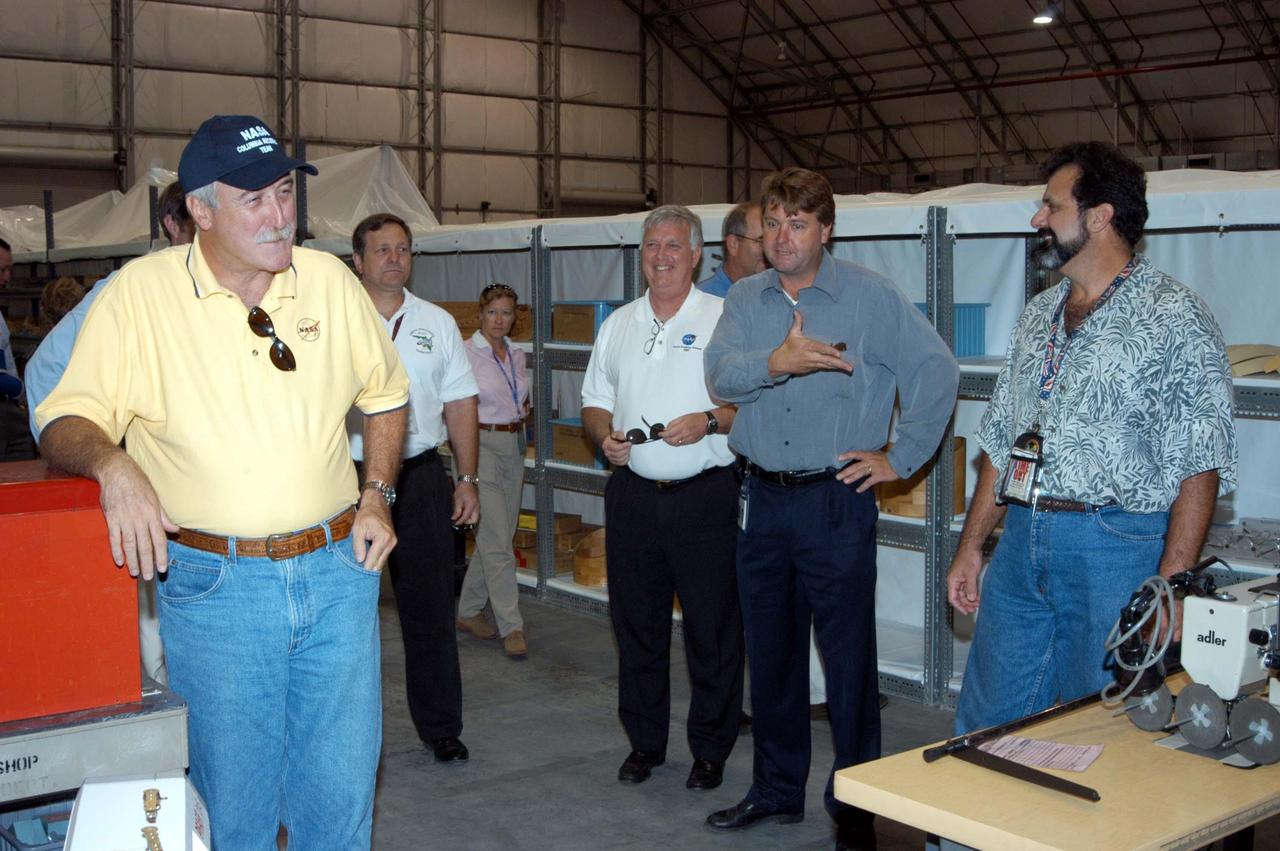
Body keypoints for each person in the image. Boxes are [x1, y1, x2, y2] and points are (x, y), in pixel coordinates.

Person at [35, 114, 409, 849]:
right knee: (233, 811)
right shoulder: (138, 297)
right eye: (253, 200)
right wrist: (114, 464)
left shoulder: (331, 282)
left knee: (339, 802)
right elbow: (63, 419)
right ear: (199, 211)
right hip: (217, 590)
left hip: (337, 574)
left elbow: (386, 395)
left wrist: (378, 492)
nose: (278, 217)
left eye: (283, 193)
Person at [703, 167, 958, 851]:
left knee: (847, 663)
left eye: (799, 222)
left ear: (826, 230)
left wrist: (900, 458)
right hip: (761, 497)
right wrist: (777, 361)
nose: (783, 235)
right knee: (773, 653)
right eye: (775, 219)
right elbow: (719, 374)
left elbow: (936, 371)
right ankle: (777, 789)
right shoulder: (746, 298)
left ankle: (856, 806)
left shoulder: (869, 298)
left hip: (834, 499)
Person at [948, 141, 1237, 734]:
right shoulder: (1038, 314)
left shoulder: (1175, 317)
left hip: (1114, 547)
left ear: (1099, 216)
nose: (1038, 219)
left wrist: (1174, 589)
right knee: (985, 724)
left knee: (1100, 730)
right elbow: (1002, 443)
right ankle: (966, 832)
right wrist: (972, 545)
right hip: (1021, 540)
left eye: (1051, 207)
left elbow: (1199, 464)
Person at [581, 204, 744, 792]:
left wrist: (708, 420)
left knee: (712, 630)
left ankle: (710, 749)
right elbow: (595, 397)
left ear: (698, 254)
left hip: (703, 498)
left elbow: (748, 405)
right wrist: (603, 435)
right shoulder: (619, 323)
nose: (662, 257)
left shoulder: (727, 318)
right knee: (637, 628)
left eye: (675, 245)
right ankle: (645, 743)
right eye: (652, 246)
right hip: (632, 497)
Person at [25, 179, 196, 686]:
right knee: (146, 592)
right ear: (173, 224)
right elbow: (45, 371)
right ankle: (156, 686)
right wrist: (102, 452)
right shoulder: (131, 289)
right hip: (122, 460)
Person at [347, 211, 481, 764]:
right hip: (345, 480)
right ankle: (347, 733)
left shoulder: (437, 323)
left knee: (428, 607)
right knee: (344, 612)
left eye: (403, 249)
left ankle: (441, 726)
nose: (395, 258)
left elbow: (461, 402)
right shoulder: (335, 318)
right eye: (382, 250)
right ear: (357, 261)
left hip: (421, 476)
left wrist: (467, 478)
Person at [456, 282, 531, 659]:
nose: (499, 319)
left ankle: (468, 611)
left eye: (506, 312)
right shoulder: (466, 353)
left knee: (498, 537)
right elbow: (452, 403)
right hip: (478, 446)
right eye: (492, 312)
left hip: (513, 446)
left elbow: (520, 398)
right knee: (499, 541)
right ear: (480, 314)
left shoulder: (516, 354)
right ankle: (511, 626)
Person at [697, 201, 766, 298]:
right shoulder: (704, 300)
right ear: (733, 245)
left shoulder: (780, 296)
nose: (770, 249)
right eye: (761, 241)